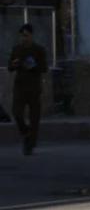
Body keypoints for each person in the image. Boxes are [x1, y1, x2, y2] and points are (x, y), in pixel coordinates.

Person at [9, 23, 48, 156]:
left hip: (34, 88)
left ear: (31, 35)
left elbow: (44, 68)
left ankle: (29, 145)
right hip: (19, 87)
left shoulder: (39, 50)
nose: (23, 38)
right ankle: (25, 132)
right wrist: (14, 64)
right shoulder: (16, 49)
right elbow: (10, 67)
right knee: (16, 113)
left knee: (34, 118)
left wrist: (32, 65)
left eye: (26, 35)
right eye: (22, 36)